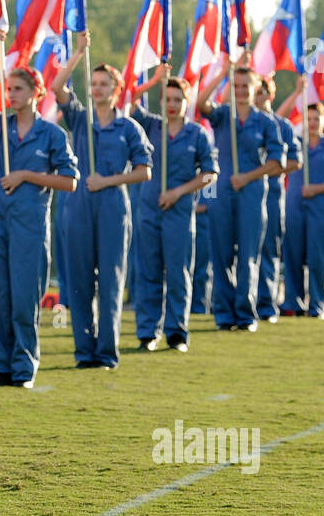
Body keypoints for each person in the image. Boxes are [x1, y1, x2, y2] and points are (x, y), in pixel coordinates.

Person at [0, 34, 78, 387]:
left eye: (17, 89)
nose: (10, 94)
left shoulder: (52, 134)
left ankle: (24, 367)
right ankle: (2, 364)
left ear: (35, 93)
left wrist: (27, 175)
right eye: (8, 88)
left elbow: (70, 181)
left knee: (24, 298)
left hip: (29, 225)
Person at [51, 34, 152, 366]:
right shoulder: (80, 119)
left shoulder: (129, 127)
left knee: (110, 280)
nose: (96, 88)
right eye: (93, 83)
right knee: (79, 281)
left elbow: (143, 171)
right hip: (78, 205)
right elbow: (57, 86)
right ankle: (84, 350)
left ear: (116, 89)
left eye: (104, 83)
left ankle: (107, 351)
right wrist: (79, 53)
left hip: (111, 204)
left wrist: (108, 180)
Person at [129, 73, 217, 352]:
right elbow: (128, 100)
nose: (172, 104)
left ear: (186, 102)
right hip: (148, 210)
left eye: (178, 99)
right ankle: (147, 332)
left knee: (179, 273)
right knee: (148, 271)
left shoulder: (197, 134)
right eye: (167, 99)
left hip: (179, 212)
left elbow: (210, 174)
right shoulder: (150, 125)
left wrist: (179, 192)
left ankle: (177, 332)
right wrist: (154, 80)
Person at [195, 61, 286, 331]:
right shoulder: (223, 115)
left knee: (248, 256)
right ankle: (223, 313)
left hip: (251, 192)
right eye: (235, 86)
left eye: (245, 86)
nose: (241, 91)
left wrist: (248, 177)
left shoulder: (266, 122)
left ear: (255, 87)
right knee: (221, 254)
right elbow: (201, 104)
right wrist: (222, 74)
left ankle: (246, 314)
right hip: (221, 192)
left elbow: (276, 162)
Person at [282, 103, 324, 317]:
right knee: (292, 255)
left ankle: (318, 305)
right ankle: (293, 303)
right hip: (294, 207)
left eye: (316, 119)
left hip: (320, 209)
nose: (312, 123)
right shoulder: (294, 144)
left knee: (318, 257)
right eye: (308, 118)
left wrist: (318, 189)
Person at [257, 76, 302, 321]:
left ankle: (266, 304)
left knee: (269, 249)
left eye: (263, 92)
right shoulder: (240, 124)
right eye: (256, 91)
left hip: (271, 195)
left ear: (270, 95)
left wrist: (266, 170)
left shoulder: (281, 126)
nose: (259, 96)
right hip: (244, 196)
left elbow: (295, 161)